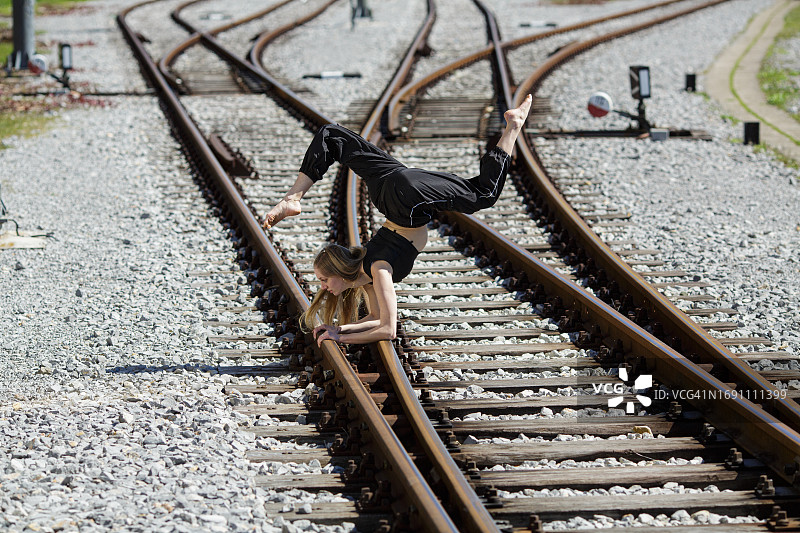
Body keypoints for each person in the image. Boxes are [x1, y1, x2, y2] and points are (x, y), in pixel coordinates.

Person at [262, 95, 532, 345]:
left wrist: (339, 338)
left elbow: (388, 330)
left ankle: (514, 127)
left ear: (340, 273)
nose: (322, 287)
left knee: (483, 194)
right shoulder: (367, 277)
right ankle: (293, 197)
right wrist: (338, 329)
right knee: (332, 136)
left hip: (406, 201)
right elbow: (376, 320)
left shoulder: (378, 269)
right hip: (388, 189)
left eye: (324, 279)